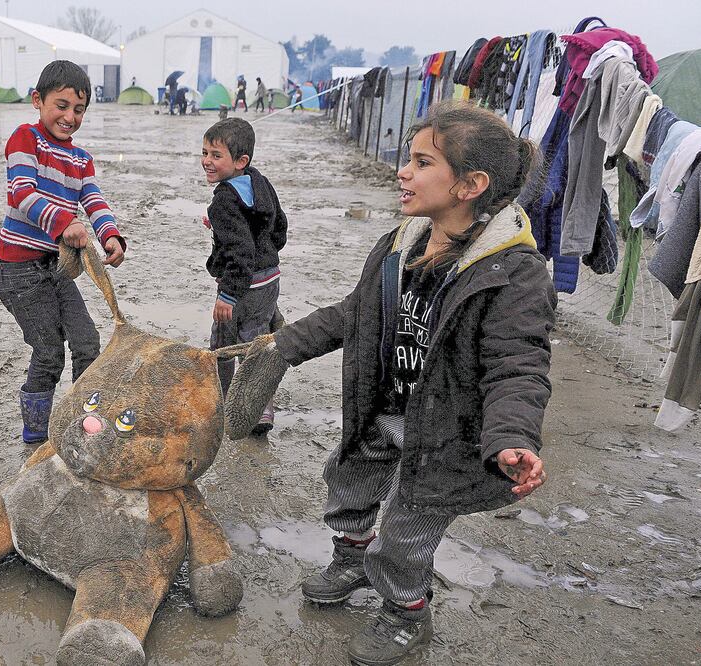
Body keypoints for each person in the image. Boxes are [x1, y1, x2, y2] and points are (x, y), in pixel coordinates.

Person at [226, 100, 554, 665]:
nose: (403, 172)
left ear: (470, 185)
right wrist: (284, 346)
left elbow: (517, 365)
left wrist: (512, 436)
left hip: (445, 431)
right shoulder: (401, 245)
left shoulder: (514, 274)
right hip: (382, 406)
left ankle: (405, 611)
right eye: (409, 159)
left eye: (422, 163)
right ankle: (352, 558)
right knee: (347, 481)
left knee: (407, 528)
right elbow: (355, 314)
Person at [0, 60, 127, 444]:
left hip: (56, 268)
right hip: (19, 271)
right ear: (38, 100)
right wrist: (64, 222)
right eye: (62, 105)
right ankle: (36, 434)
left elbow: (93, 199)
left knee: (87, 342)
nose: (70, 117)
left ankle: (81, 420)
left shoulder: (81, 159)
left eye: (79, 109)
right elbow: (22, 193)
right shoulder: (25, 139)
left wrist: (110, 235)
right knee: (49, 353)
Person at [202, 117, 287, 434]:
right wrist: (268, 252)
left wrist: (227, 295)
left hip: (240, 287)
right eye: (205, 153)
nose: (207, 161)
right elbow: (279, 225)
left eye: (216, 155)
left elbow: (239, 251)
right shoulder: (259, 181)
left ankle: (221, 402)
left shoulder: (224, 199)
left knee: (223, 343)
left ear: (240, 161)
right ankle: (261, 409)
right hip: (269, 280)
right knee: (256, 341)